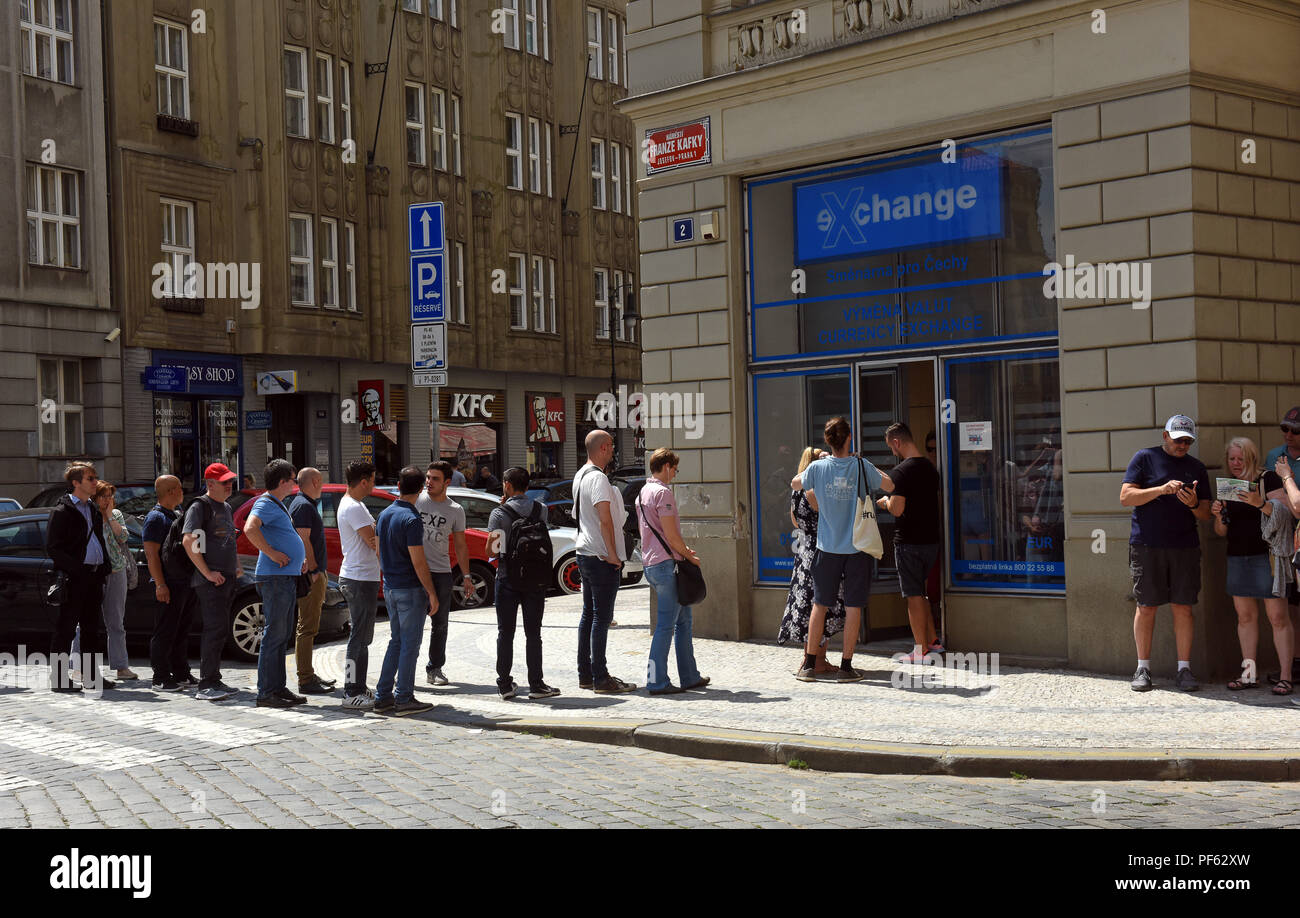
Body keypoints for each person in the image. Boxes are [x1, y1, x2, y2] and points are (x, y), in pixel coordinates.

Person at [790, 417, 892, 682]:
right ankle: (846, 667)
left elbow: (794, 483)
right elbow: (890, 485)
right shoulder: (860, 465)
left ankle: (809, 665)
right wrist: (863, 465)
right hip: (857, 547)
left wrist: (819, 464)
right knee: (854, 606)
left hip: (827, 547)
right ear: (849, 438)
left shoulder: (819, 467)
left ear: (828, 441)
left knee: (819, 604)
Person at [1120, 415, 1213, 692]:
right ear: (1165, 436)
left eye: (1187, 441)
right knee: (1146, 606)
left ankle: (1184, 669)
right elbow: (1125, 497)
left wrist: (1194, 503)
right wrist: (1161, 489)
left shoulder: (1196, 467)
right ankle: (1142, 668)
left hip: (1185, 546)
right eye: (1177, 439)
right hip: (1147, 545)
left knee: (1183, 607)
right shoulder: (1144, 458)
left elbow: (1206, 514)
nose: (1182, 445)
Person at [1209, 438, 1292, 694]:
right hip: (1237, 557)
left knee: (1277, 617)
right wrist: (1217, 516)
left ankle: (1286, 677)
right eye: (1232, 459)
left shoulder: (1268, 479)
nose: (1235, 463)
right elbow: (1221, 531)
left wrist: (1260, 503)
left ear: (1251, 458)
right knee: (1245, 618)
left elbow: (1285, 512)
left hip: (1265, 556)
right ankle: (1249, 675)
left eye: (1240, 459)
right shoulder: (1230, 486)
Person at [637, 448, 708, 695]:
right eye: (675, 469)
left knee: (683, 620)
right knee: (667, 624)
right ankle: (656, 681)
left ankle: (689, 676)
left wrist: (681, 549)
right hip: (667, 565)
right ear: (666, 466)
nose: (675, 474)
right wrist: (690, 556)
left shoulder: (643, 491)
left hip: (652, 563)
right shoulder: (663, 493)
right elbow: (671, 535)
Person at [573, 429, 637, 693]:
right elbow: (605, 518)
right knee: (602, 618)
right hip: (600, 555)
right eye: (611, 447)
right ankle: (601, 678)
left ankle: (585, 675)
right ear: (603, 447)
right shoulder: (598, 478)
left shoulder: (579, 475)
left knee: (589, 615)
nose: (613, 451)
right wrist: (613, 553)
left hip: (584, 552)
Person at [488, 467, 559, 700]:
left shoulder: (499, 514)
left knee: (505, 633)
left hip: (508, 579)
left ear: (507, 485)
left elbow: (493, 551)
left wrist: (501, 509)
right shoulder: (541, 510)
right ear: (527, 487)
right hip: (536, 581)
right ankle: (537, 685)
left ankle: (505, 685)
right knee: (534, 634)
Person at [374, 466, 439, 716]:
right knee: (409, 645)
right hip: (409, 588)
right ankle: (404, 697)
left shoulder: (385, 514)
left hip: (390, 585)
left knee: (396, 642)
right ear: (421, 489)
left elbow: (378, 551)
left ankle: (383, 696)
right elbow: (418, 561)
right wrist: (431, 592)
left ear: (398, 487)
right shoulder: (412, 519)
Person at [244, 459, 309, 708]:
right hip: (275, 577)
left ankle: (278, 687)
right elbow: (250, 529)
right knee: (274, 635)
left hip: (284, 576)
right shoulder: (265, 503)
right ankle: (266, 692)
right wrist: (271, 553)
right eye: (293, 480)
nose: (295, 484)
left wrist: (298, 560)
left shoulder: (276, 504)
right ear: (283, 482)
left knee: (282, 635)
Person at [876, 422, 942, 663]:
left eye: (891, 447)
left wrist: (884, 502)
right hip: (931, 541)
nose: (893, 452)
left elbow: (897, 508)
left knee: (913, 595)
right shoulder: (930, 468)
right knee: (922, 593)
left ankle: (920, 650)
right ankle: (933, 641)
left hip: (909, 542)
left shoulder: (901, 472)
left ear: (897, 442)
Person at [778, 447, 845, 675]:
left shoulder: (797, 491)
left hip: (804, 552)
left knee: (808, 606)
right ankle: (816, 659)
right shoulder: (814, 490)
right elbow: (830, 517)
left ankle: (814, 659)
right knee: (821, 604)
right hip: (821, 549)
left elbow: (795, 522)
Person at [46, 462, 112, 692]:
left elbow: (98, 539)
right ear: (76, 483)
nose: (95, 482)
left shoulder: (93, 508)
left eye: (95, 477)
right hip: (75, 577)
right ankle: (59, 678)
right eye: (90, 478)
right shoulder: (62, 511)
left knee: (92, 629)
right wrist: (76, 569)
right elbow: (53, 548)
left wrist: (104, 565)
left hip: (94, 577)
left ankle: (92, 677)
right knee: (65, 628)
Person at [183, 463, 241, 702]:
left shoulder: (226, 507)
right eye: (224, 482)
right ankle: (206, 683)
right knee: (214, 630)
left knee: (220, 630)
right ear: (210, 484)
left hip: (224, 577)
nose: (229, 485)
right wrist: (207, 573)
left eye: (230, 481)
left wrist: (235, 565)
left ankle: (214, 678)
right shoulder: (200, 507)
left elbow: (228, 539)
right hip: (211, 580)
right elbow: (189, 540)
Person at [71, 481, 135, 682]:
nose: (107, 500)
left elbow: (123, 537)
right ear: (94, 496)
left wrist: (109, 515)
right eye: (103, 496)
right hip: (92, 572)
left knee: (116, 621)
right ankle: (78, 668)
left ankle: (120, 666)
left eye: (110, 496)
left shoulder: (115, 515)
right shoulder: (88, 515)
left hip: (116, 571)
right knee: (84, 622)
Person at [416, 461, 472, 686]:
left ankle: (435, 668)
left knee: (440, 624)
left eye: (435, 478)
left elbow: (460, 545)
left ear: (447, 482)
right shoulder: (416, 500)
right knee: (411, 623)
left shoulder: (455, 510)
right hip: (414, 571)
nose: (429, 482)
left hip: (441, 573)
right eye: (428, 477)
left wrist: (467, 577)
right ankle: (404, 668)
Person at [142, 474, 195, 692]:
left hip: (182, 581)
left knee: (180, 630)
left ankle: (181, 672)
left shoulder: (175, 514)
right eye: (180, 488)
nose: (183, 491)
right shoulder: (156, 518)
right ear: (172, 491)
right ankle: (160, 677)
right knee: (165, 630)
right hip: (169, 583)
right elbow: (151, 554)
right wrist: (160, 584)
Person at [337, 460, 381, 710]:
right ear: (363, 481)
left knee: (362, 637)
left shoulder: (355, 505)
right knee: (358, 637)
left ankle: (359, 686)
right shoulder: (354, 507)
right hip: (359, 578)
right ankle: (351, 690)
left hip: (361, 577)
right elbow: (372, 541)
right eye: (373, 480)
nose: (373, 484)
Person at [290, 468, 336, 695]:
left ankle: (308, 673)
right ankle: (305, 679)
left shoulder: (304, 503)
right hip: (311, 574)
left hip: (313, 572)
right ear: (316, 481)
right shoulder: (303, 505)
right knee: (307, 627)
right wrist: (314, 569)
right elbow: (302, 538)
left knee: (310, 626)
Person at [1263, 407, 1300, 684]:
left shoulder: (1283, 465)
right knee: (1291, 605)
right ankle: (1295, 664)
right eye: (1284, 428)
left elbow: (1296, 507)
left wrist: (1287, 478)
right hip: (1287, 543)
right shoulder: (1274, 456)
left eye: (1295, 431)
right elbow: (1274, 501)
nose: (1288, 435)